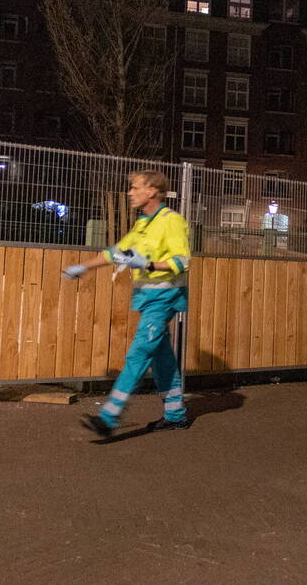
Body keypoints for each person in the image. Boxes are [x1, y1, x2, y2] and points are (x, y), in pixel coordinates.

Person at [62, 170, 191, 438]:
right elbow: (116, 253)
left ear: (151, 191)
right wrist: (84, 267)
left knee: (138, 353)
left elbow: (182, 261)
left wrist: (148, 264)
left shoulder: (171, 221)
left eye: (135, 188)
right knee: (162, 359)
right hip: (148, 299)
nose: (130, 192)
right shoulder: (143, 223)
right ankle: (176, 415)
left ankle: (109, 417)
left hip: (164, 298)